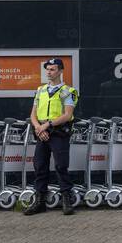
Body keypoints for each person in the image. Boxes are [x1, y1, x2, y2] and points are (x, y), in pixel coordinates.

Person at [24, 58, 79, 216]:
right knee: (39, 166)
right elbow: (33, 114)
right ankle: (40, 202)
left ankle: (66, 200)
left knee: (61, 166)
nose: (49, 72)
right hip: (42, 132)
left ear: (61, 71)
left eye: (53, 69)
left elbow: (67, 115)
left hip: (58, 133)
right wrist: (38, 128)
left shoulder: (68, 91)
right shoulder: (40, 90)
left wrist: (46, 125)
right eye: (47, 69)